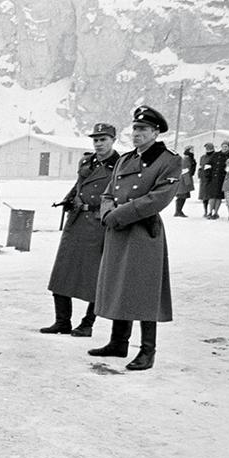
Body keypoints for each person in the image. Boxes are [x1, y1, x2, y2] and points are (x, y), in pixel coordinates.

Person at [88, 106, 177, 372]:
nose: (137, 133)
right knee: (120, 284)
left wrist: (118, 215)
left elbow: (158, 198)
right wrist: (107, 213)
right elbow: (108, 193)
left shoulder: (168, 160)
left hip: (143, 232)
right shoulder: (125, 159)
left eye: (143, 129)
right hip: (118, 230)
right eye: (135, 128)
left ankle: (147, 350)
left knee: (144, 290)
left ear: (156, 132)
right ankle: (118, 342)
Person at [41, 123, 117, 337]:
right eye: (96, 140)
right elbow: (79, 185)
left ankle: (87, 324)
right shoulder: (86, 161)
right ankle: (62, 321)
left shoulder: (120, 165)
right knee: (62, 271)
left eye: (103, 139)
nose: (99, 144)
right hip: (76, 221)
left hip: (99, 223)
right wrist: (69, 198)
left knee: (95, 276)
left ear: (113, 140)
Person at [196, 142, 220, 217]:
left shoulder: (216, 156)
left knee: (212, 196)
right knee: (204, 196)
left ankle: (213, 211)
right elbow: (200, 167)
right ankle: (205, 211)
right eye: (206, 148)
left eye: (209, 147)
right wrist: (200, 174)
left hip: (213, 178)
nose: (208, 149)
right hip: (204, 178)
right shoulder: (203, 157)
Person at [172, 145, 195, 216]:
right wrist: (187, 181)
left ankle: (179, 211)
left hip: (185, 179)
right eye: (191, 150)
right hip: (183, 180)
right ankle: (178, 211)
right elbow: (185, 170)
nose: (193, 151)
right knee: (181, 196)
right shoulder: (186, 159)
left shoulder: (189, 158)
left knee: (183, 196)